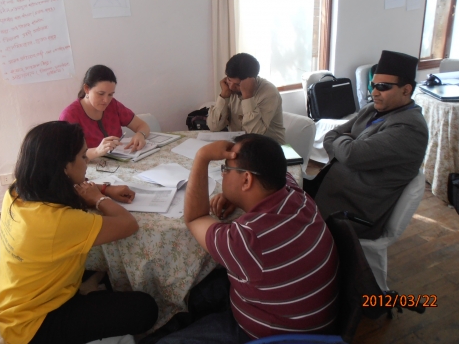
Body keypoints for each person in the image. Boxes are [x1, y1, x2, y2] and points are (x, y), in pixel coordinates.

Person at [158, 134, 339, 343]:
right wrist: (236, 194)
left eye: (225, 170)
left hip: (275, 336)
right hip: (310, 318)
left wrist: (202, 157)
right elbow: (281, 172)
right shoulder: (296, 195)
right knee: (200, 291)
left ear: (246, 180)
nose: (223, 174)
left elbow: (196, 218)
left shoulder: (246, 240)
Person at [0, 121, 158, 344]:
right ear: (64, 167)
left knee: (101, 269)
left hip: (15, 309)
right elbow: (128, 224)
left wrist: (104, 188)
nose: (86, 163)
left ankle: (88, 290)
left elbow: (67, 188)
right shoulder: (58, 221)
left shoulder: (18, 191)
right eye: (83, 157)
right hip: (36, 328)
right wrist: (99, 199)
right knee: (145, 308)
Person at [304, 50, 429, 239]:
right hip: (329, 188)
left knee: (284, 226)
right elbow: (331, 136)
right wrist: (347, 143)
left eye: (383, 86)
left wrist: (347, 145)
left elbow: (351, 155)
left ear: (406, 89)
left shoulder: (410, 128)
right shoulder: (373, 109)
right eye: (373, 85)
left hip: (351, 212)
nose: (374, 92)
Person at [60, 64, 151, 160]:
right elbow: (67, 155)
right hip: (89, 169)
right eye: (101, 94)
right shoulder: (70, 115)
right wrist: (97, 151)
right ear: (86, 89)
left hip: (119, 164)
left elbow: (142, 125)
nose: (106, 100)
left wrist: (140, 134)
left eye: (110, 94)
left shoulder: (113, 105)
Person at [206, 53, 285, 144]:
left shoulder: (269, 92)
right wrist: (224, 95)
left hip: (270, 148)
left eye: (237, 84)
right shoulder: (229, 89)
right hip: (241, 146)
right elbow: (214, 127)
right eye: (229, 80)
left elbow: (255, 135)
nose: (231, 87)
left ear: (251, 81)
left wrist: (247, 96)